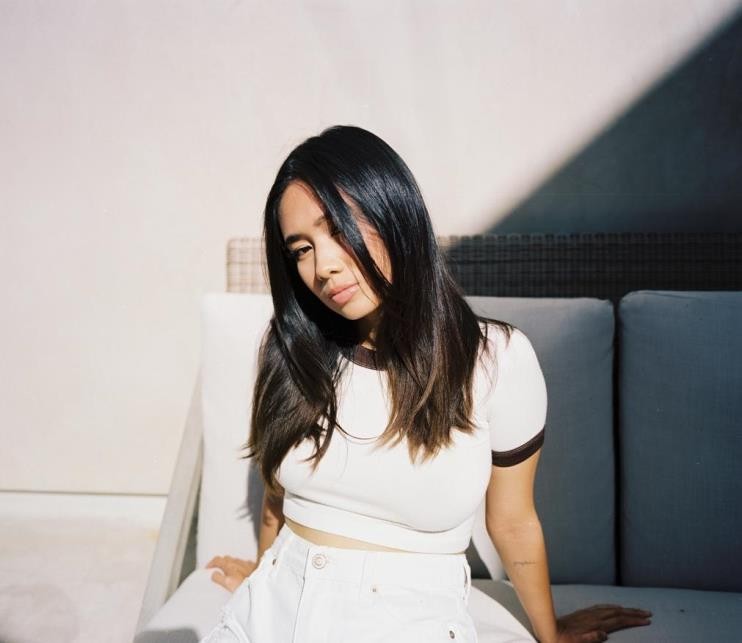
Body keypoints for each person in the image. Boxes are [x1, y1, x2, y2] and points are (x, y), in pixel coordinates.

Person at [200, 125, 653, 643]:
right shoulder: (291, 350)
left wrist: (549, 635)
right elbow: (277, 500)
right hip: (269, 613)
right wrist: (261, 578)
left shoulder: (495, 360)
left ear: (394, 213)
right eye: (301, 249)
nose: (323, 266)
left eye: (339, 229)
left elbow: (513, 522)